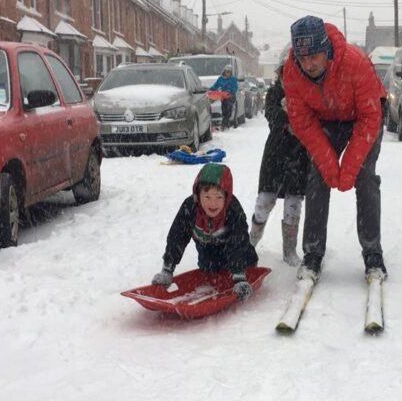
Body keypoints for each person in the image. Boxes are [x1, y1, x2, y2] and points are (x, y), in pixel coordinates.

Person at [282, 15, 387, 282]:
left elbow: (370, 117)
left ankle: (373, 252)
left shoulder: (355, 62)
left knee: (365, 178)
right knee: (317, 178)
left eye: (314, 56)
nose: (309, 64)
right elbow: (302, 122)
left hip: (364, 117)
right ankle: (313, 253)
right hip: (325, 120)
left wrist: (348, 171)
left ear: (326, 49)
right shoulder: (292, 72)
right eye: (302, 58)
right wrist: (330, 167)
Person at [151, 163, 258, 300]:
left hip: (241, 258)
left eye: (219, 197)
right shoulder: (189, 209)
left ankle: (241, 272)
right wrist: (167, 269)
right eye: (207, 197)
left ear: (226, 197)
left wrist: (239, 276)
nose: (213, 204)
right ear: (198, 194)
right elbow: (177, 237)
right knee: (210, 269)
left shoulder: (233, 210)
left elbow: (238, 241)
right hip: (208, 254)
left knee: (244, 255)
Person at [250, 66, 310, 266]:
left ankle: (289, 249)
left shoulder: (307, 92)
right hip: (275, 155)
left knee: (293, 204)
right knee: (265, 201)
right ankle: (251, 243)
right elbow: (272, 114)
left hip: (299, 156)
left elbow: (311, 117)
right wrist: (290, 121)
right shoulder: (275, 93)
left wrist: (299, 122)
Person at [210, 64, 239, 129]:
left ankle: (225, 123)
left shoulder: (233, 79)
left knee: (229, 109)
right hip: (223, 97)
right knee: (224, 109)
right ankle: (225, 122)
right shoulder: (220, 79)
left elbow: (235, 87)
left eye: (229, 72)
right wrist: (210, 90)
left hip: (230, 97)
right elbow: (215, 86)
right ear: (224, 71)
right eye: (227, 72)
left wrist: (231, 91)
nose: (228, 73)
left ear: (231, 72)